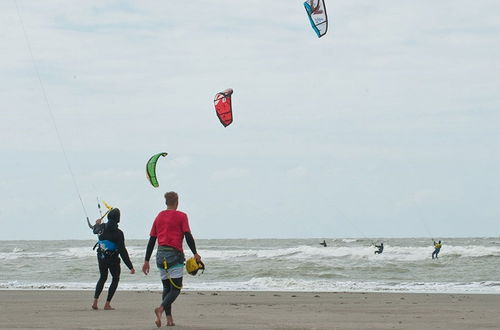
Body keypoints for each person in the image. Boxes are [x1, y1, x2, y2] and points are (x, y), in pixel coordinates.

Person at [142, 191, 201, 328]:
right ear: (177, 202)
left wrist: (146, 261)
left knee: (167, 288)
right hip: (174, 256)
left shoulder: (159, 216)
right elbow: (187, 235)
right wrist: (195, 253)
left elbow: (152, 240)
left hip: (160, 255)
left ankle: (169, 320)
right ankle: (161, 309)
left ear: (166, 202)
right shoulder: (182, 216)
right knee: (176, 288)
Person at [91, 208, 135, 310]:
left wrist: (97, 224)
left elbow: (94, 230)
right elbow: (122, 251)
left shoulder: (101, 228)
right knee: (115, 279)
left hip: (101, 257)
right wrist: (130, 267)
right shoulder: (118, 233)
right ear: (118, 219)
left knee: (102, 277)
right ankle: (107, 304)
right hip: (113, 259)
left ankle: (95, 302)